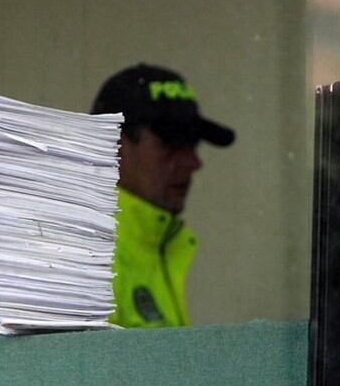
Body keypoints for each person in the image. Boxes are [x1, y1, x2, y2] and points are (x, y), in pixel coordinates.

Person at [91, 63, 235, 328]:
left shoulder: (161, 243)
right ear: (112, 144)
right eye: (172, 143)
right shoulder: (87, 253)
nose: (193, 162)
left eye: (193, 144)